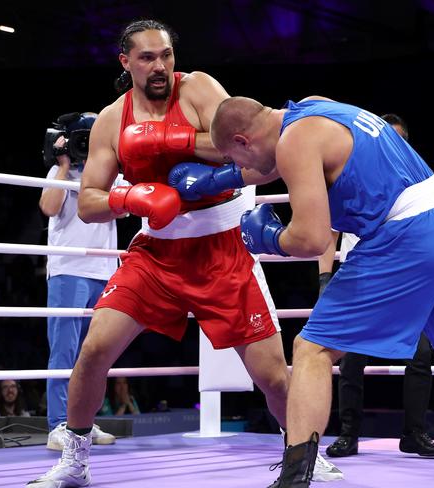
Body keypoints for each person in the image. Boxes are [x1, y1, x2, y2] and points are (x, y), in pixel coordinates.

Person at [209, 95, 434, 487]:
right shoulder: (313, 106)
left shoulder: (292, 142)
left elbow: (312, 239)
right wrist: (222, 181)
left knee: (311, 349)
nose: (242, 170)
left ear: (242, 140)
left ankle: (294, 479)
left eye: (235, 160)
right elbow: (277, 165)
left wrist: (267, 238)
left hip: (409, 235)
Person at [27, 19, 340, 488]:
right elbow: (89, 199)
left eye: (166, 55)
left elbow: (242, 145)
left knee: (273, 375)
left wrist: (168, 140)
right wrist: (130, 199)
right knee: (93, 351)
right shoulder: (112, 119)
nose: (160, 66)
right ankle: (74, 458)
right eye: (148, 57)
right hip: (155, 252)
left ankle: (305, 455)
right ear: (126, 62)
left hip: (221, 247)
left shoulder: (196, 89)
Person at [321, 114, 434, 458]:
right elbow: (328, 229)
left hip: (405, 277)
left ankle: (414, 434)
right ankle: (348, 433)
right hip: (360, 277)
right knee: (350, 359)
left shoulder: (417, 182)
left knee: (420, 354)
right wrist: (324, 278)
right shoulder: (350, 173)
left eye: (398, 140)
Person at [39, 112, 118, 451]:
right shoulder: (59, 174)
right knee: (65, 351)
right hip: (69, 269)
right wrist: (62, 164)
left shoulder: (111, 175)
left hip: (105, 271)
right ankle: (58, 424)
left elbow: (122, 209)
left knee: (96, 354)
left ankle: (83, 422)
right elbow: (48, 206)